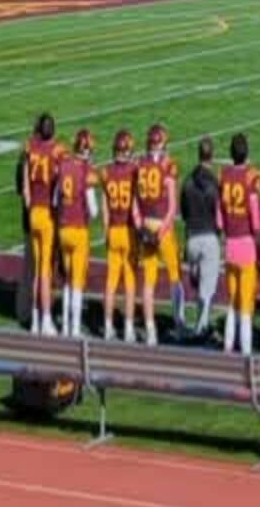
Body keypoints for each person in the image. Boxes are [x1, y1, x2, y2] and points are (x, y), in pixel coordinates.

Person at [136, 124, 182, 346]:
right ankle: (178, 322)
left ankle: (150, 328)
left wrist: (140, 226)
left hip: (146, 224)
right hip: (162, 225)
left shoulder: (140, 165)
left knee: (148, 281)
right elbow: (172, 207)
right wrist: (162, 231)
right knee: (174, 275)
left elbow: (135, 202)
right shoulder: (168, 166)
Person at [217, 134, 260, 355]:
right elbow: (255, 218)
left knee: (232, 302)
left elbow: (219, 217)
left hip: (230, 244)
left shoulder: (224, 176)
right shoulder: (251, 176)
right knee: (245, 306)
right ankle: (245, 351)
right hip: (246, 244)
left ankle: (227, 345)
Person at [50, 129, 98, 336]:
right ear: (86, 150)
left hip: (63, 229)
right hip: (79, 230)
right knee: (77, 282)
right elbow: (94, 209)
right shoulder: (86, 171)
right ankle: (75, 327)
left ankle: (66, 326)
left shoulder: (63, 166)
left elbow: (54, 200)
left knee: (68, 279)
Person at [21, 114, 65, 336]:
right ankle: (46, 319)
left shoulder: (30, 148)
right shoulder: (57, 151)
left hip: (34, 212)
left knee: (38, 270)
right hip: (47, 212)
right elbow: (62, 181)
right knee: (45, 271)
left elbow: (25, 181)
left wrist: (29, 201)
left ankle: (36, 320)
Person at [98, 130, 140, 341]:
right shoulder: (134, 171)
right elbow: (136, 204)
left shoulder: (105, 173)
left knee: (111, 282)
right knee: (130, 282)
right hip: (129, 230)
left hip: (113, 229)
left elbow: (104, 206)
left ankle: (107, 326)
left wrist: (105, 231)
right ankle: (129, 328)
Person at [180, 136, 223, 338]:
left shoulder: (188, 180)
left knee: (198, 285)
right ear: (211, 156)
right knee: (206, 289)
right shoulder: (214, 183)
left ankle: (198, 323)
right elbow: (219, 214)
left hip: (191, 237)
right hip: (208, 237)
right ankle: (201, 328)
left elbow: (184, 211)